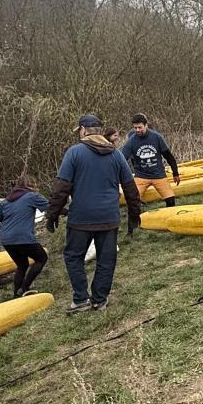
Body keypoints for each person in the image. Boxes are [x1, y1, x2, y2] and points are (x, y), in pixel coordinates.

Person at [46, 114, 144, 313]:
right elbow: (130, 187)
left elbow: (61, 188)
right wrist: (134, 213)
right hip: (109, 218)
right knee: (106, 260)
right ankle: (99, 299)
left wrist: (52, 214)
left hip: (80, 218)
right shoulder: (116, 155)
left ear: (83, 130)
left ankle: (81, 299)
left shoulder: (74, 153)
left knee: (73, 256)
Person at [0, 173, 51, 298]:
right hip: (23, 237)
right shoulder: (32, 196)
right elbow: (51, 208)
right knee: (41, 258)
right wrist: (68, 212)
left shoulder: (5, 201)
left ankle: (16, 295)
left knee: (22, 265)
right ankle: (24, 287)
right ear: (31, 185)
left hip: (6, 240)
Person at [120, 113, 182, 207]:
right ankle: (137, 215)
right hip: (141, 176)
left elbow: (168, 156)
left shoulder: (157, 137)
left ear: (146, 125)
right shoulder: (131, 141)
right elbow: (122, 159)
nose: (137, 130)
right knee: (132, 200)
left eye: (140, 127)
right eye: (135, 128)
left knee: (170, 200)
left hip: (159, 175)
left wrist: (175, 173)